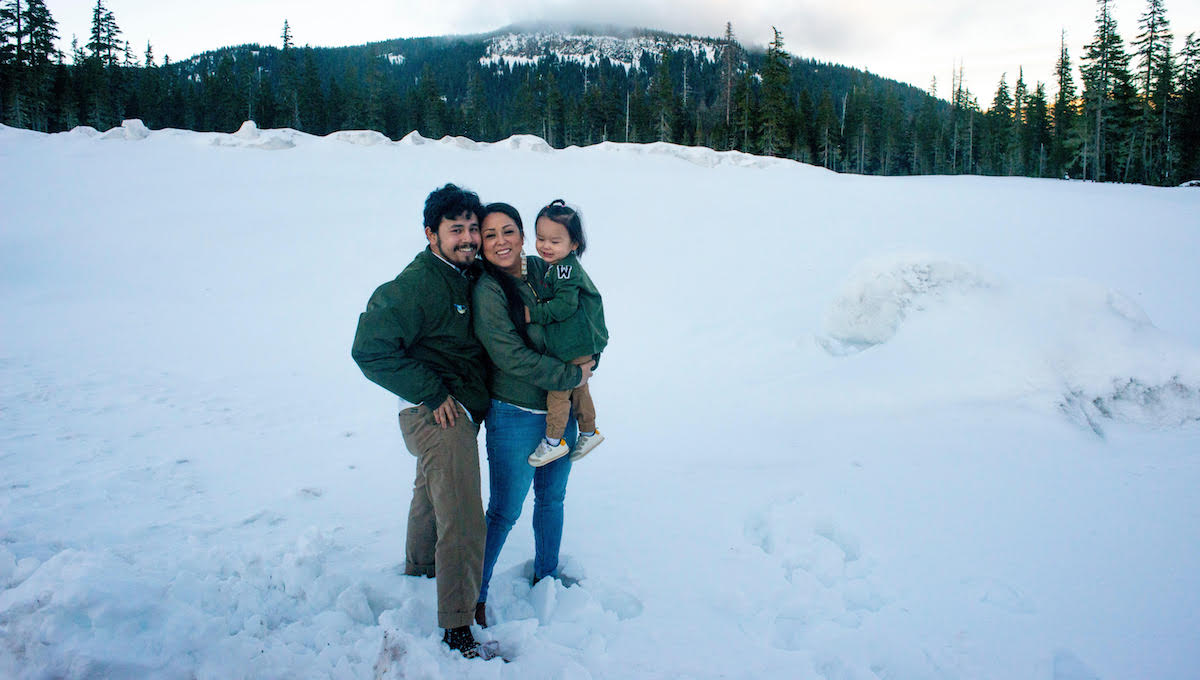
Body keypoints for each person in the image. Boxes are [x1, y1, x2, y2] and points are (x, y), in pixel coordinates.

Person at [351, 184, 490, 659]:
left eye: (473, 228)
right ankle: (457, 628)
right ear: (431, 234)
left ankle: (419, 570)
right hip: (435, 414)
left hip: (452, 408)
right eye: (456, 230)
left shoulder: (463, 274)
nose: (468, 238)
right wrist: (432, 393)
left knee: (431, 495)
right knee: (465, 516)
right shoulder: (416, 285)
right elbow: (368, 350)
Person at [470, 202, 594, 628]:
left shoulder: (547, 270)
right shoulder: (488, 291)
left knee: (552, 499)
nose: (501, 241)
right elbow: (509, 356)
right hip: (516, 415)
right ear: (482, 245)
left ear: (523, 236)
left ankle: (547, 573)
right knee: (504, 511)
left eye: (509, 231)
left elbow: (581, 316)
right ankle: (473, 597)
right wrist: (571, 374)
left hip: (560, 413)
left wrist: (591, 355)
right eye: (490, 235)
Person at [525, 200, 609, 467]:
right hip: (579, 341)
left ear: (574, 244)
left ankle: (553, 441)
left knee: (559, 390)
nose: (546, 246)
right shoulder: (560, 265)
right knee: (580, 387)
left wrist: (534, 314)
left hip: (574, 342)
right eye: (540, 238)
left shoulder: (564, 268)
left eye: (555, 241)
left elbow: (564, 306)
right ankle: (588, 431)